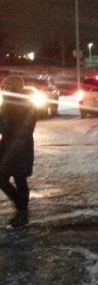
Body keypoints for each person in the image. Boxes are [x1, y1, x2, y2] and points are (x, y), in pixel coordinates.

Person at [0, 74, 37, 228]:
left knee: (19, 179)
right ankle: (21, 207)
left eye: (6, 88)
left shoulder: (23, 106)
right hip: (9, 147)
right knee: (6, 178)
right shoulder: (8, 104)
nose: (3, 91)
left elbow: (14, 127)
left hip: (19, 148)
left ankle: (22, 212)